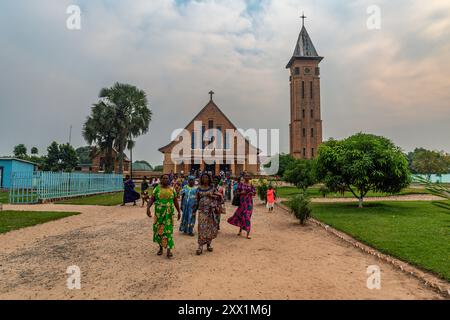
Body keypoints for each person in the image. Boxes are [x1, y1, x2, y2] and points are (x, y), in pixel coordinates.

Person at [147, 174, 181, 258]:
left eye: (167, 178)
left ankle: (169, 250)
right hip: (159, 214)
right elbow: (152, 199)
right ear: (161, 180)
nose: (166, 180)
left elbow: (175, 201)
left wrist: (179, 211)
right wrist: (148, 208)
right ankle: (161, 248)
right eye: (164, 178)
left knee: (168, 231)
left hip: (169, 214)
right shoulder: (157, 189)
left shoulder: (172, 189)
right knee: (159, 230)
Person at [195, 173, 223, 255]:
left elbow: (220, 197)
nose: (205, 179)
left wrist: (213, 196)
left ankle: (208, 244)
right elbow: (197, 199)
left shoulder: (212, 188)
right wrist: (194, 210)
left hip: (211, 210)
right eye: (203, 177)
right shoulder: (199, 188)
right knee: (201, 227)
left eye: (206, 177)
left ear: (209, 179)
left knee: (210, 227)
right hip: (202, 211)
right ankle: (200, 246)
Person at [227, 173, 256, 239]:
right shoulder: (241, 184)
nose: (247, 177)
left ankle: (248, 233)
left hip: (249, 203)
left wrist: (251, 193)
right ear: (244, 177)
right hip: (242, 203)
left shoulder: (251, 185)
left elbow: (254, 192)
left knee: (247, 217)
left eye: (248, 176)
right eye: (246, 176)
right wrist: (241, 193)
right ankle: (240, 230)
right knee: (241, 216)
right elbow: (236, 192)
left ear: (250, 177)